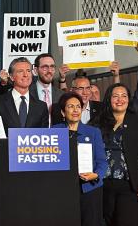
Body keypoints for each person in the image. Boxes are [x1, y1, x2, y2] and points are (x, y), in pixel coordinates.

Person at [91, 83, 138, 226]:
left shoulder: (137, 120)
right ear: (109, 99)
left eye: (124, 96)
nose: (120, 100)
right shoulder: (98, 120)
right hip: (103, 185)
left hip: (130, 186)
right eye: (115, 96)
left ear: (128, 99)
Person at [52, 92, 107, 226]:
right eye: (71, 106)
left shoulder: (93, 132)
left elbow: (102, 161)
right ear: (63, 112)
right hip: (63, 190)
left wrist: (96, 175)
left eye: (78, 106)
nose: (75, 110)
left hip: (90, 188)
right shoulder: (54, 131)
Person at [0, 57, 49, 134]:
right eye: (20, 71)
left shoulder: (41, 106)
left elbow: (44, 136)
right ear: (11, 77)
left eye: (28, 71)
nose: (25, 75)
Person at [30, 53, 64, 125]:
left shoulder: (61, 95)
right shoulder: (27, 93)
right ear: (36, 70)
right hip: (34, 135)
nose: (49, 71)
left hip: (57, 135)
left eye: (52, 67)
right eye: (45, 67)